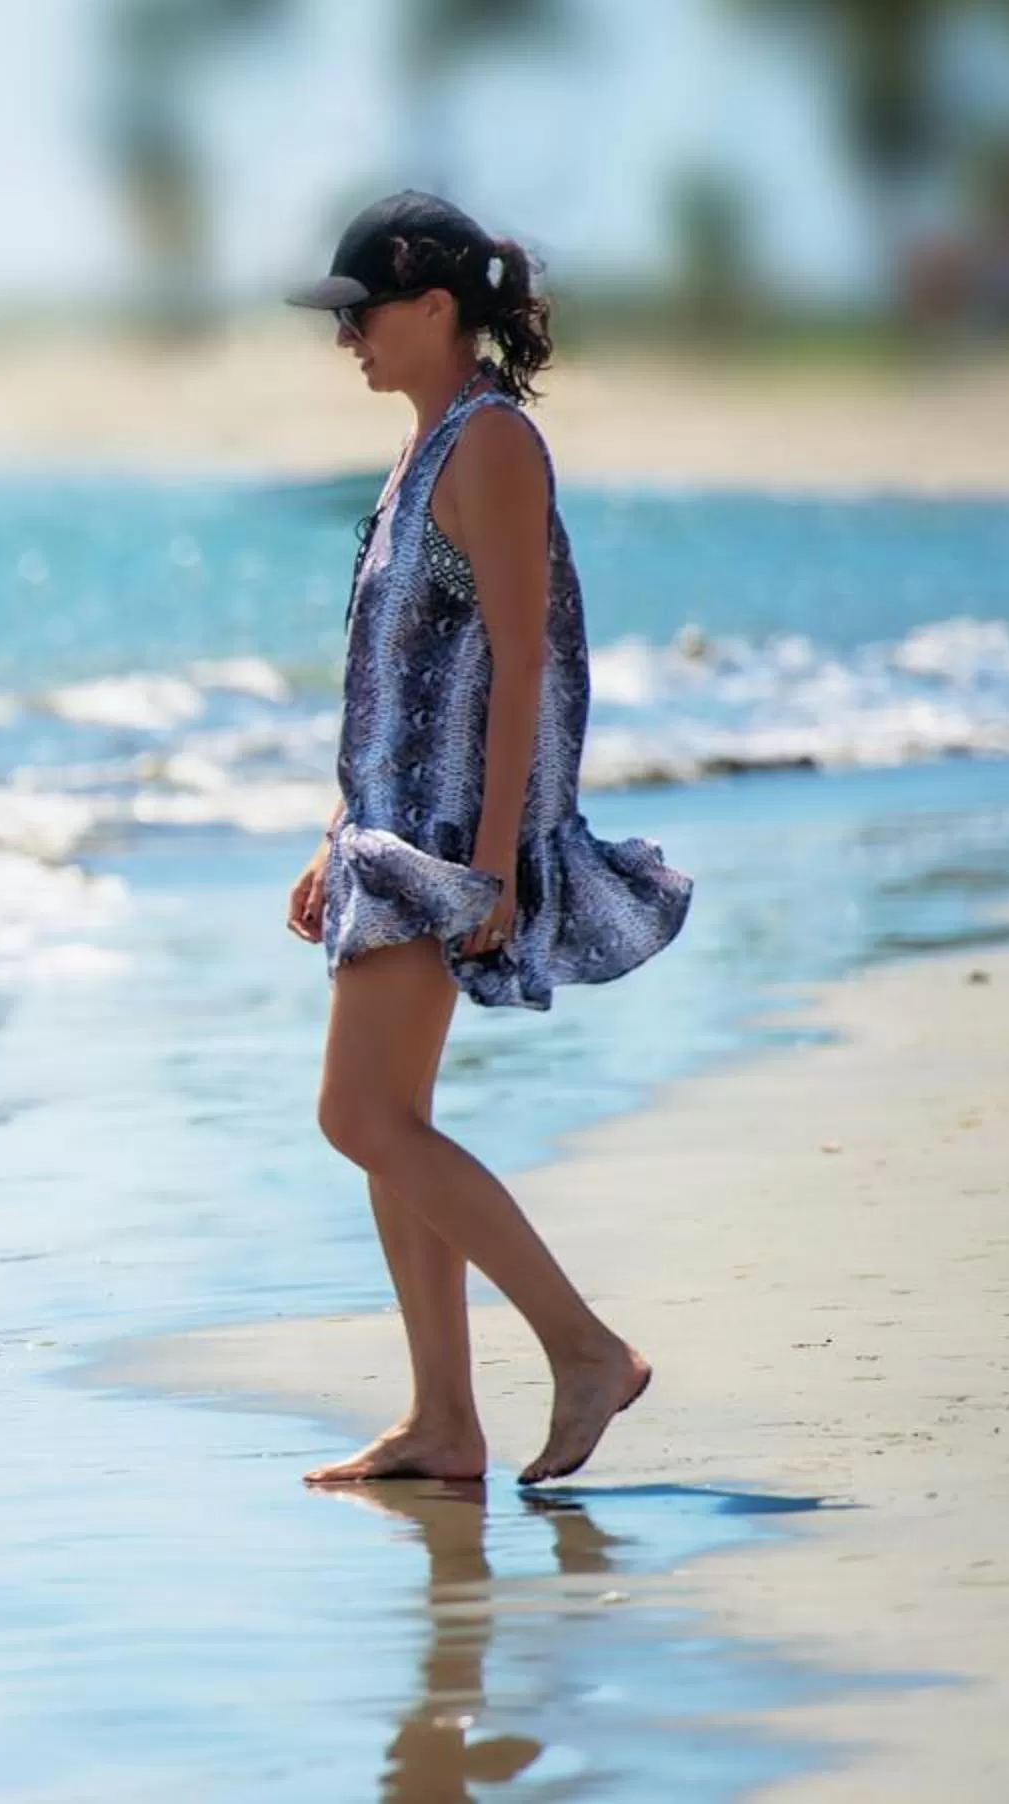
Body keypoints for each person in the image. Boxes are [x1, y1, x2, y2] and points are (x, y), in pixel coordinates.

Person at [282, 192, 692, 1486]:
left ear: (440, 309)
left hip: (454, 842)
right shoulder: (423, 450)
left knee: (360, 1114)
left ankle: (581, 1347)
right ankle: (445, 1422)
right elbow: (398, 671)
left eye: (364, 315)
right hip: (393, 834)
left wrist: (502, 861)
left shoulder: (494, 444)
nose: (347, 339)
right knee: (388, 1117)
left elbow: (525, 658)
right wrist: (338, 826)